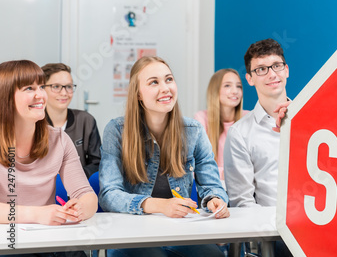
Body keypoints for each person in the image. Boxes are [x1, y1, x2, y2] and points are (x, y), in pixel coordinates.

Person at [99, 56, 229, 257]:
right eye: (154, 82)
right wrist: (159, 205)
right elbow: (108, 195)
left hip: (178, 232)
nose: (165, 88)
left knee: (214, 255)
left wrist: (216, 200)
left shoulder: (193, 131)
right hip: (130, 233)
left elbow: (212, 185)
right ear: (139, 94)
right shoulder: (116, 130)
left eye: (169, 79)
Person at [0, 60, 98, 256]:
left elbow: (87, 195)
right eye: (29, 88)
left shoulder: (59, 139)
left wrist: (80, 208)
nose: (40, 95)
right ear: (5, 98)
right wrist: (37, 214)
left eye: (41, 87)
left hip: (47, 239)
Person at [224, 39, 292, 256]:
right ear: (250, 79)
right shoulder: (240, 134)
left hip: (319, 224)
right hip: (275, 234)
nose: (272, 74)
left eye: (277, 66)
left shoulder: (312, 119)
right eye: (261, 69)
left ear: (286, 70)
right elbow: (243, 202)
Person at [41, 63, 101, 178]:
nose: (64, 93)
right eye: (56, 86)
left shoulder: (86, 120)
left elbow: (98, 162)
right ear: (42, 88)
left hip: (78, 188)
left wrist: (75, 176)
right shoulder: (34, 123)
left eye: (68, 86)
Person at [194, 68, 248, 181]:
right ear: (215, 90)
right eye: (227, 85)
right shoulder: (201, 119)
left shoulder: (248, 118)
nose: (235, 91)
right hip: (212, 189)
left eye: (239, 86)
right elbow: (196, 168)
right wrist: (228, 174)